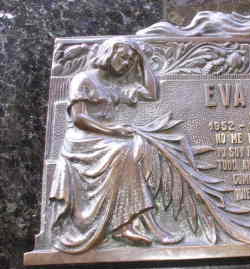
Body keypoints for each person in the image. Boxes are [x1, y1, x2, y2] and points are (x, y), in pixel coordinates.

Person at [49, 37, 182, 254]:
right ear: (108, 53)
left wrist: (142, 61)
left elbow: (151, 93)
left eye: (131, 60)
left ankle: (133, 223)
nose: (127, 63)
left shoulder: (114, 85)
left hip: (106, 138)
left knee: (135, 147)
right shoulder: (83, 79)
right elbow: (79, 118)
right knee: (124, 150)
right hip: (83, 139)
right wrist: (112, 131)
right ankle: (129, 225)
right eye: (123, 57)